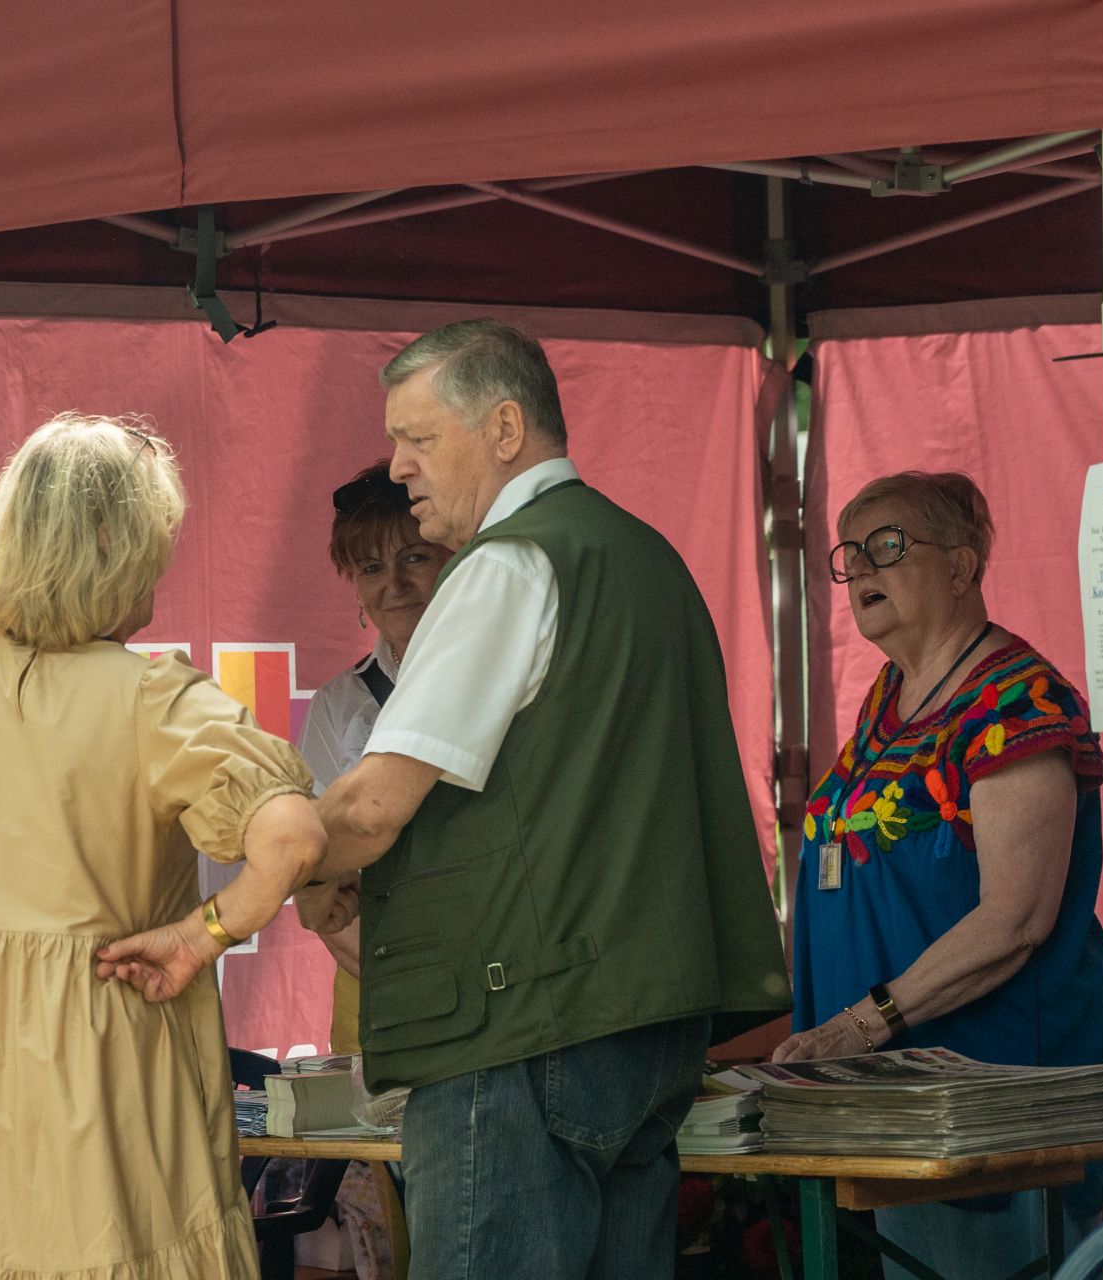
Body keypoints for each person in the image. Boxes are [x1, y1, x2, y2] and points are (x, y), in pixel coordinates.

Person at [296, 319, 791, 1279]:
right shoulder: (645, 556)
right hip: (642, 1026)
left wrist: (247, 883)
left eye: (419, 438)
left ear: (506, 428)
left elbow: (370, 809)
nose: (397, 466)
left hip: (518, 1031)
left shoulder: (505, 565)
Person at [0, 413, 327, 1280]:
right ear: (115, 542)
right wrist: (204, 934)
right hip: (117, 1042)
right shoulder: (155, 698)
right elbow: (294, 839)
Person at [773, 470, 1103, 1279]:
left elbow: (1016, 919)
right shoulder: (890, 697)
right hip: (891, 1096)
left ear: (961, 567)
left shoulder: (1015, 702)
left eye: (888, 545)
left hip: (990, 1097)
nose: (863, 571)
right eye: (851, 554)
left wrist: (860, 1024)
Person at [294, 461, 452, 1278]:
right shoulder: (338, 706)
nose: (395, 583)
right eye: (369, 566)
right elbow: (321, 885)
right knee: (384, 1229)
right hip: (376, 1005)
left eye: (414, 556)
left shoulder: (493, 680)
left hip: (491, 1001)